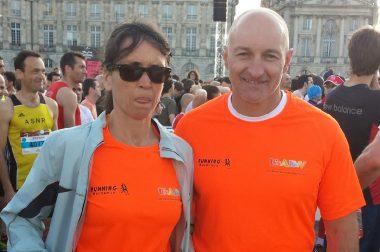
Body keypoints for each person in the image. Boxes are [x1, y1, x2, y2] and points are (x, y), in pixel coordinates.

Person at [175, 8, 364, 251]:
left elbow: (343, 229)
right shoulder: (191, 128)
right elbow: (176, 222)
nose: (255, 70)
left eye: (270, 56)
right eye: (244, 54)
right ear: (225, 57)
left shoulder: (325, 131)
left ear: (287, 60)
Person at [1, 21, 193, 252]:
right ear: (107, 78)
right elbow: (20, 218)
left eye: (157, 73)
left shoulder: (181, 154)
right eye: (131, 71)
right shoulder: (67, 147)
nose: (145, 83)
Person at [324, 26, 380, 252]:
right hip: (368, 198)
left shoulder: (333, 96)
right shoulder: (378, 100)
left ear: (350, 56)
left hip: (334, 196)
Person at [0, 50, 58, 205]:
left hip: (49, 185)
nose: (41, 76)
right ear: (19, 73)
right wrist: (8, 190)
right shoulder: (6, 107)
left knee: (48, 229)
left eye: (43, 72)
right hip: (19, 187)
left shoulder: (52, 105)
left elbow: (57, 148)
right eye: (35, 71)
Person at [46, 52, 87, 129]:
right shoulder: (69, 94)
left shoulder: (53, 87)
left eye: (85, 68)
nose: (85, 72)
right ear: (68, 68)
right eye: (81, 67)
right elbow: (70, 134)